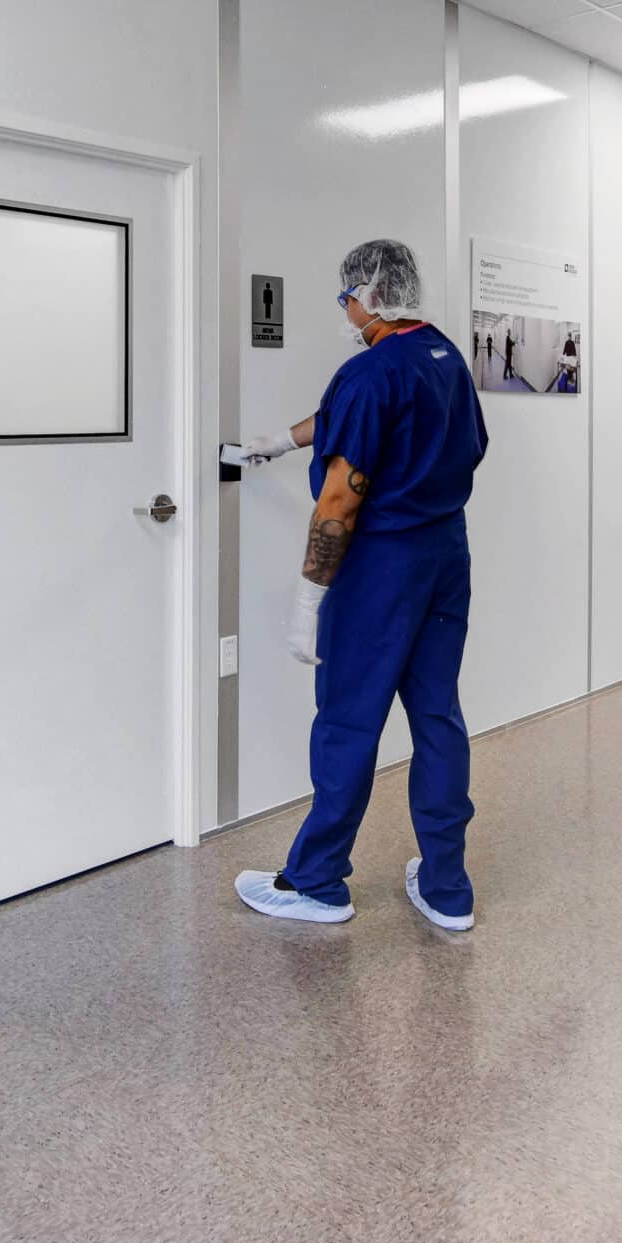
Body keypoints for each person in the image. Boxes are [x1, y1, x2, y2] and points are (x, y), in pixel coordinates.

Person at [233, 239, 488, 931]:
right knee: (437, 716)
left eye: (345, 297)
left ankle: (316, 882)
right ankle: (446, 887)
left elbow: (341, 502)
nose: (344, 310)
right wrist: (280, 442)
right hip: (446, 555)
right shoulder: (443, 357)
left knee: (348, 720)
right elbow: (361, 422)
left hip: (382, 565)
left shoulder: (368, 372)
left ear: (367, 296)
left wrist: (308, 601)